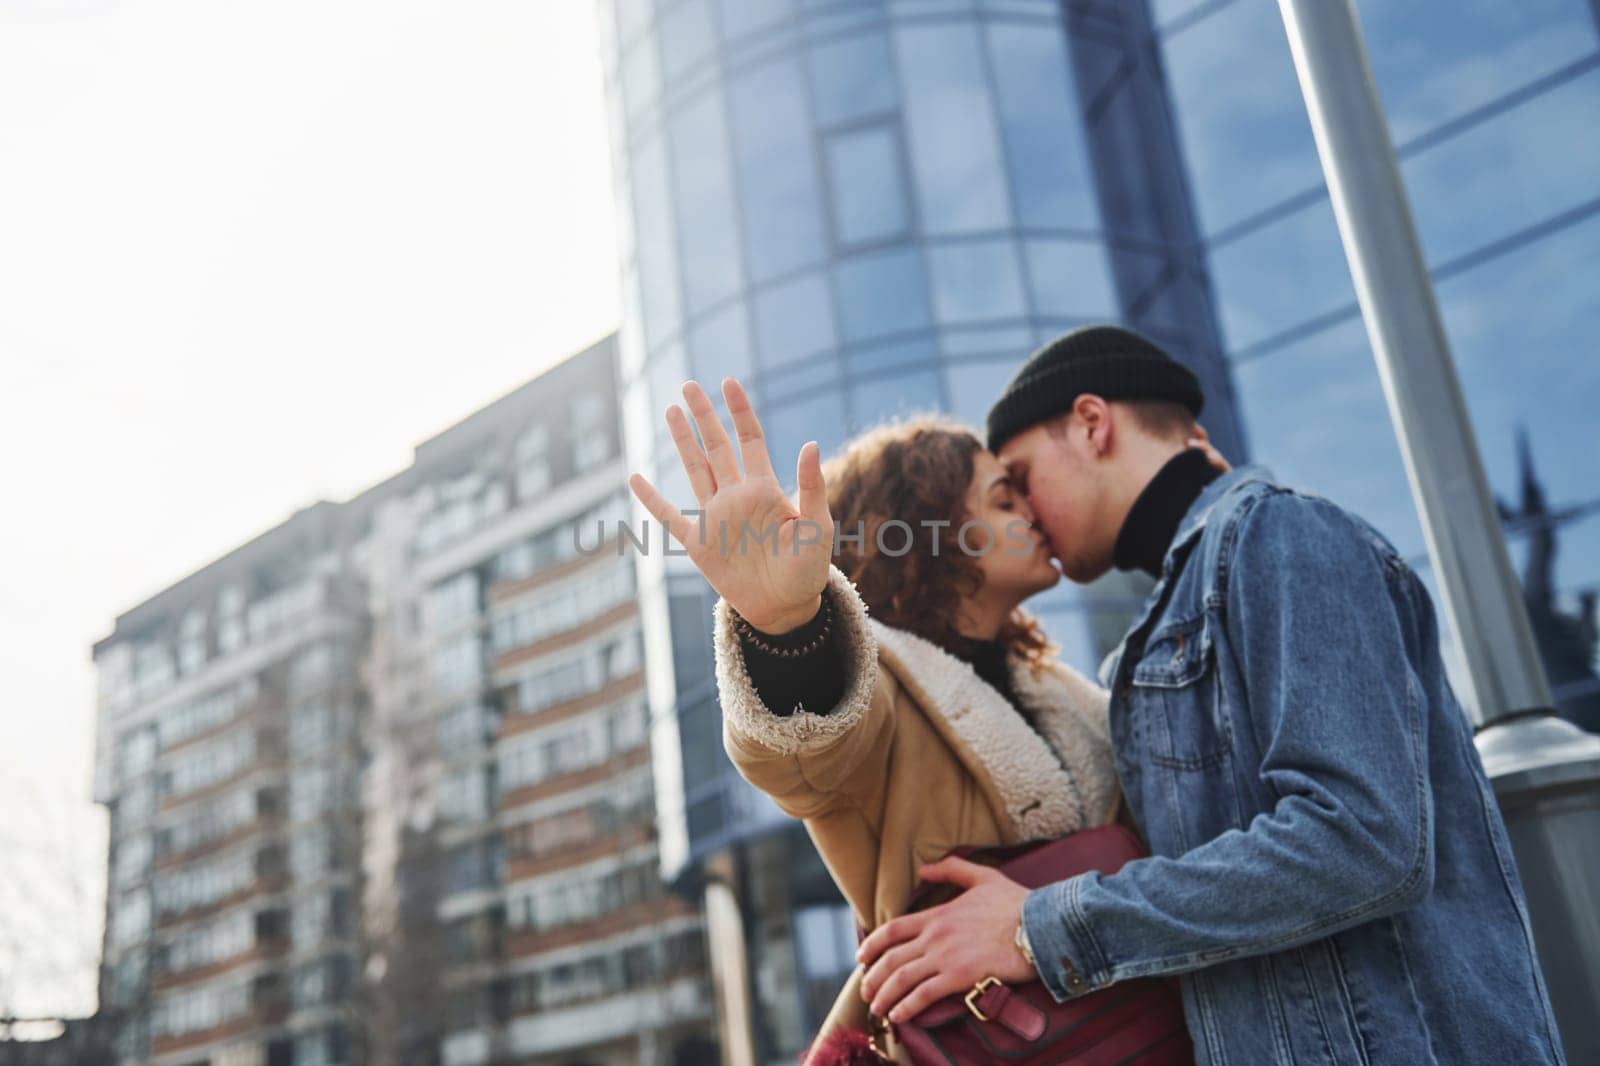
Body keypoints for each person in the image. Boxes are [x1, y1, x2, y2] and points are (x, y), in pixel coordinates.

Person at [854, 325, 1567, 1064]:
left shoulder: (1279, 534)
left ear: (1093, 424)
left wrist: (1042, 926)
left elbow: (1364, 838)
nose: (1026, 510)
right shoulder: (1170, 620)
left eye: (1023, 475)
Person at [627, 377, 1225, 1062]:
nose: (1033, 511)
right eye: (1005, 499)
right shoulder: (878, 680)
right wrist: (787, 628)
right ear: (929, 534)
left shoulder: (1067, 695)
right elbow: (808, 747)